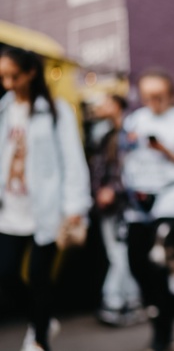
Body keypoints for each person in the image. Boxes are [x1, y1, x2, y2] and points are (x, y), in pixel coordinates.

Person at [0, 47, 91, 351]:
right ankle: (41, 321)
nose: (8, 83)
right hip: (9, 209)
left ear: (30, 73)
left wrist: (75, 206)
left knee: (40, 278)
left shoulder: (55, 110)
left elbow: (72, 160)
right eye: (2, 77)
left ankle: (39, 340)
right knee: (7, 274)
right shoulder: (3, 109)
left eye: (14, 76)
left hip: (46, 209)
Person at [121, 68, 174, 351]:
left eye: (158, 96)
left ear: (170, 94)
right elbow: (128, 156)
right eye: (147, 96)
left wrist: (165, 151)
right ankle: (158, 310)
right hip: (139, 202)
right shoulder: (135, 120)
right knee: (135, 261)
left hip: (172, 200)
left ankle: (164, 327)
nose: (153, 101)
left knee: (160, 267)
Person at [86, 93, 142, 326]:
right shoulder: (107, 135)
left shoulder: (128, 134)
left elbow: (131, 169)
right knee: (117, 254)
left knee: (118, 253)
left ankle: (116, 302)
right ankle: (130, 301)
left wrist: (112, 190)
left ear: (117, 105)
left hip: (122, 205)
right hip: (109, 205)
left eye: (106, 102)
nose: (100, 106)